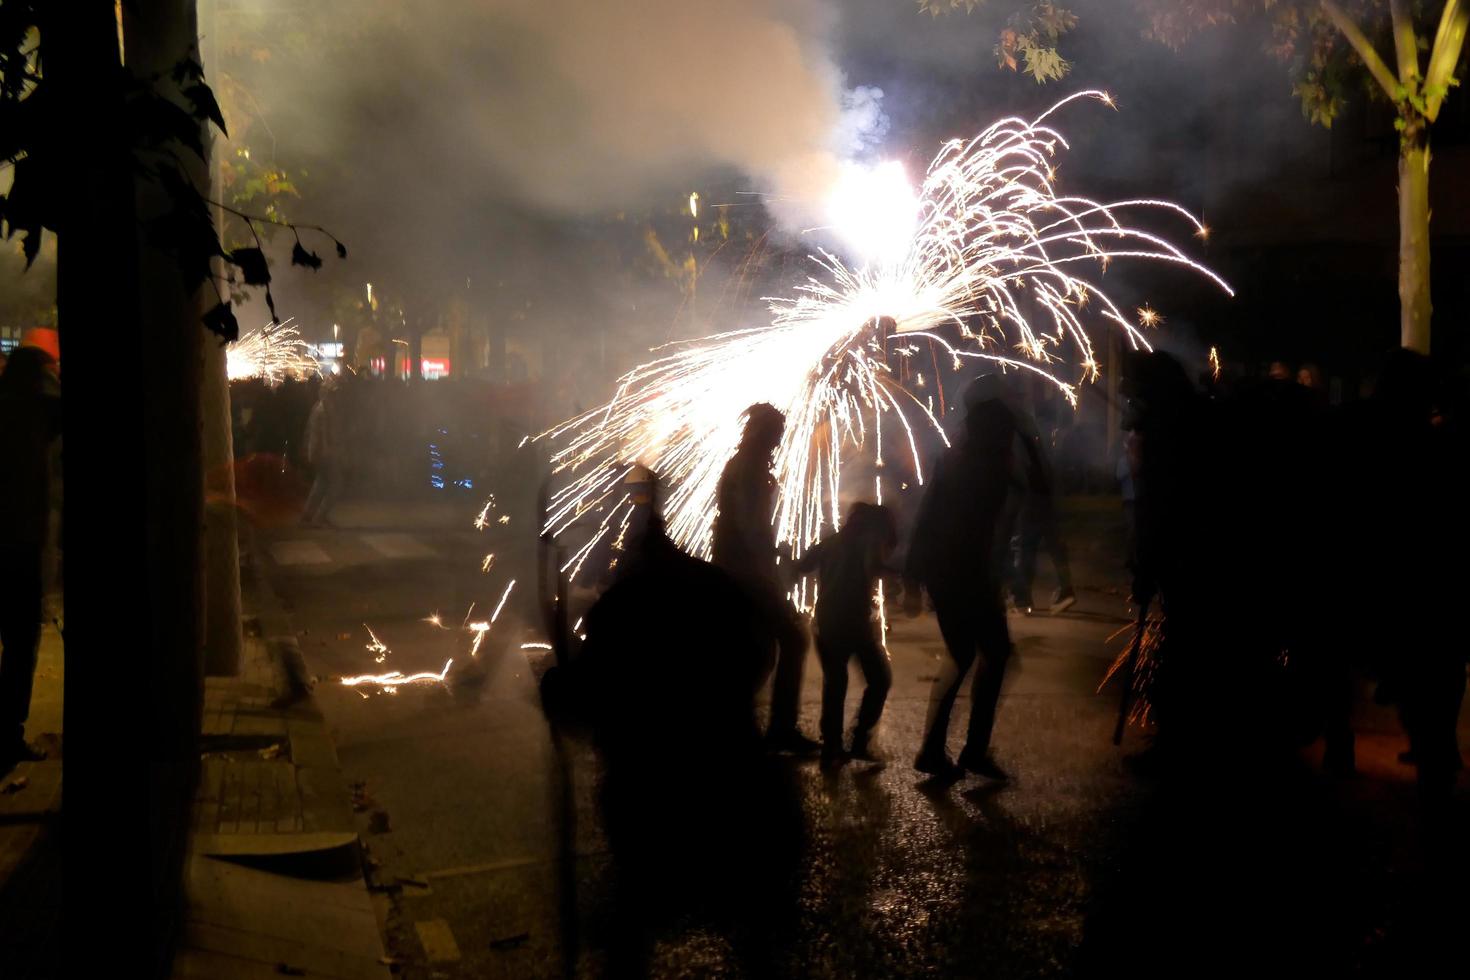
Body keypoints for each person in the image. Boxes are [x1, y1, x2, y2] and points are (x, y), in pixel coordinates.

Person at [904, 378, 1021, 780]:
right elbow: (934, 521)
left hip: (956, 574)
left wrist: (913, 578)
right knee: (983, 654)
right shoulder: (981, 467)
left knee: (977, 654)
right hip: (961, 575)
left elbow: (927, 519)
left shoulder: (967, 461)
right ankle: (950, 749)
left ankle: (947, 749)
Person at [713, 403, 818, 754]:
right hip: (744, 570)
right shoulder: (749, 467)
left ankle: (742, 725)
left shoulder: (745, 463)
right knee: (790, 639)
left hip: (739, 566)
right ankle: (776, 729)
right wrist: (765, 568)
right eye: (775, 434)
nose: (778, 441)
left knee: (759, 646)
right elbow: (747, 523)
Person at [792, 502, 898, 768]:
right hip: (852, 624)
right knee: (880, 679)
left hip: (826, 622)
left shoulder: (832, 541)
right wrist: (901, 576)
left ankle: (832, 746)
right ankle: (859, 740)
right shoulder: (869, 542)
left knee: (835, 683)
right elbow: (872, 566)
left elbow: (804, 565)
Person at [0, 346, 62, 772]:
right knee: (21, 644)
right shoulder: (34, 417)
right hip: (18, 547)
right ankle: (7, 735)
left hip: (16, 542)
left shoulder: (13, 408)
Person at [302, 379, 344, 526]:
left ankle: (308, 514)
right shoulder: (324, 410)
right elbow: (325, 434)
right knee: (335, 485)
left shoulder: (319, 407)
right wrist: (330, 452)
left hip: (319, 452)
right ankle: (319, 516)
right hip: (325, 453)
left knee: (320, 483)